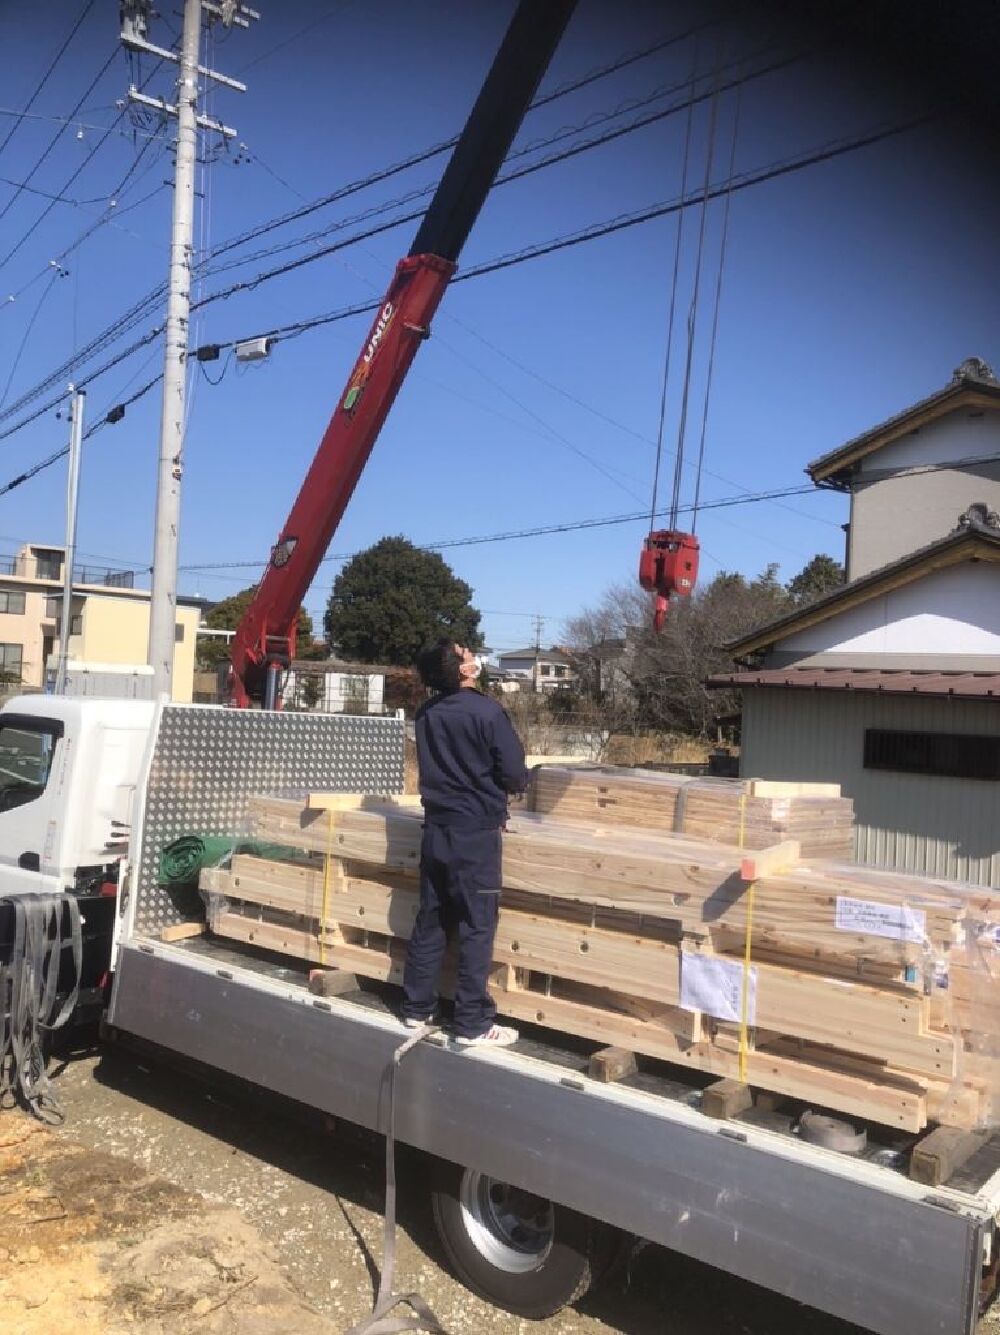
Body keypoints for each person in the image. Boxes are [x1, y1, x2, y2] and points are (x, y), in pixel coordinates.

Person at [401, 639, 528, 1048]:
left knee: (433, 916)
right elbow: (514, 773)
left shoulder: (426, 714)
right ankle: (472, 1022)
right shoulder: (487, 712)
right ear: (462, 670)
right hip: (474, 834)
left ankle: (416, 1007)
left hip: (436, 828)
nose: (473, 655)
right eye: (466, 654)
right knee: (477, 925)